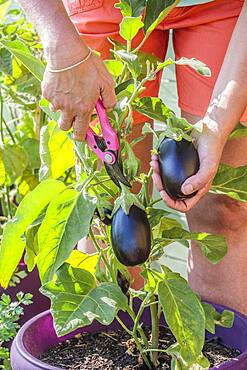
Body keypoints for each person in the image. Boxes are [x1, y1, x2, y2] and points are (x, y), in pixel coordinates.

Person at [18, 0, 247, 314]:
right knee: (108, 209)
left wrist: (217, 128)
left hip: (224, 7)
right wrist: (60, 43)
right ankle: (114, 345)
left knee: (224, 211)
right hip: (102, 5)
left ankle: (221, 355)